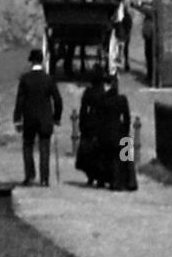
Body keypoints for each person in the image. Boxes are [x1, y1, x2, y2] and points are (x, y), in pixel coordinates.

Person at [13, 48, 63, 186]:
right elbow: (58, 100)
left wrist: (17, 119)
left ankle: (29, 176)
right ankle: (44, 179)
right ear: (42, 61)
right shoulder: (49, 79)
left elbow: (20, 101)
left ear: (31, 62)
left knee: (28, 146)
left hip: (29, 118)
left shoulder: (25, 79)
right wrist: (56, 117)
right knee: (44, 148)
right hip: (45, 119)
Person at [100, 73, 137, 192]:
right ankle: (129, 182)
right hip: (121, 131)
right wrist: (125, 131)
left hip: (108, 133)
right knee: (125, 157)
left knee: (112, 158)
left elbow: (101, 119)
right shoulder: (122, 99)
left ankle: (115, 182)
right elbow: (127, 117)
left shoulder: (104, 100)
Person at [74, 68, 109, 187]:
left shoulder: (88, 92)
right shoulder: (104, 93)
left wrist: (81, 123)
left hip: (90, 122)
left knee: (87, 152)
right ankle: (101, 178)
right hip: (101, 122)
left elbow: (83, 109)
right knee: (100, 152)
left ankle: (90, 176)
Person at [140, 6, 156, 86]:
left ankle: (150, 75)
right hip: (149, 40)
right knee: (149, 58)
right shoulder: (149, 21)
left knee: (150, 59)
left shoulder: (149, 21)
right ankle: (150, 74)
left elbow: (144, 32)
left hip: (150, 40)